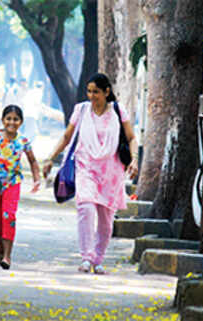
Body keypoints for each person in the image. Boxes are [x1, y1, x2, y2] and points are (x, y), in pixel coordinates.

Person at [43, 73, 139, 274]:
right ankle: (86, 257)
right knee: (85, 208)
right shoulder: (81, 110)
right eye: (89, 91)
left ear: (106, 92)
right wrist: (51, 157)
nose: (91, 95)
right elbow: (67, 136)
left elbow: (131, 137)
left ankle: (98, 258)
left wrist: (135, 159)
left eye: (96, 91)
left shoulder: (118, 111)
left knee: (105, 220)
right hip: (86, 167)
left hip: (111, 173)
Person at [0, 105, 41, 270]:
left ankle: (7, 255)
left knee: (9, 216)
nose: (12, 122)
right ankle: (1, 243)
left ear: (20, 122)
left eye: (15, 119)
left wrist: (37, 179)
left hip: (12, 183)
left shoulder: (23, 141)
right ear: (3, 120)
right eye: (8, 119)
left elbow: (33, 161)